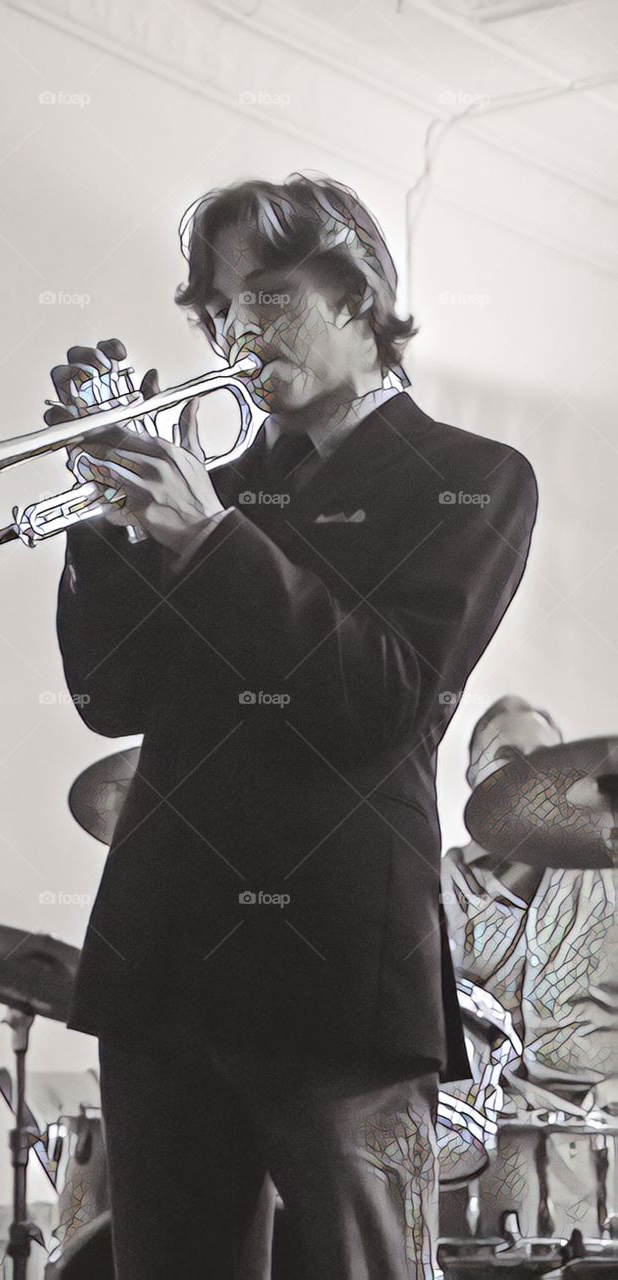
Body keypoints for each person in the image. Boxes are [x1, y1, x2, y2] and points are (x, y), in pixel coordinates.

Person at [54, 174, 538, 1279]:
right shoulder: (211, 488)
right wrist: (104, 520)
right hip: (165, 956)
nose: (239, 328)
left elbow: (381, 699)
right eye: (220, 306)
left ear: (357, 294)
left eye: (268, 294)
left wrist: (206, 539)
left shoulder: (471, 478)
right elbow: (111, 696)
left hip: (338, 970)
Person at [442, 694, 617, 1237]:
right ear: (472, 776)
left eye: (545, 758)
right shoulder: (433, 888)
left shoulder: (610, 880)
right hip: (481, 1166)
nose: (528, 773)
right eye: (506, 757)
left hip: (602, 1156)